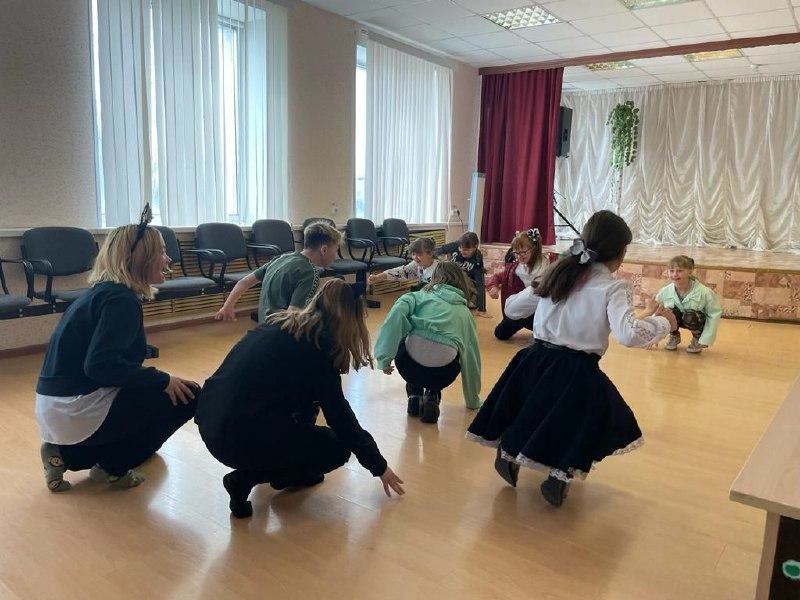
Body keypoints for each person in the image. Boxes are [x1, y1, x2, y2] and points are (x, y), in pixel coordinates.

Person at [467, 211, 678, 508]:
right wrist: (665, 323)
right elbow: (628, 335)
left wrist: (538, 294)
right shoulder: (612, 287)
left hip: (535, 359)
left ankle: (509, 455)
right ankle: (558, 475)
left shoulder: (557, 273)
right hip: (575, 369)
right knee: (582, 421)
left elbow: (512, 309)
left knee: (533, 410)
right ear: (619, 253)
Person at [196, 279, 405, 518]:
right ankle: (245, 479)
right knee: (337, 448)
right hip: (238, 439)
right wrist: (380, 466)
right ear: (351, 319)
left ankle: (287, 472)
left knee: (305, 410)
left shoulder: (279, 326)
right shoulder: (318, 350)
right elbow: (341, 419)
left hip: (210, 423)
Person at [35, 206, 198, 492]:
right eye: (161, 252)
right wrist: (161, 379)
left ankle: (64, 454)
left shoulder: (101, 293)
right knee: (188, 395)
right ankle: (113, 467)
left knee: (151, 392)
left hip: (56, 408)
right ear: (139, 258)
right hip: (76, 408)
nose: (168, 258)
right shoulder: (121, 301)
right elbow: (101, 367)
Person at [374, 262, 481, 424]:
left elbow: (394, 320)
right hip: (442, 374)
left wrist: (384, 359)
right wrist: (473, 400)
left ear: (433, 278)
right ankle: (432, 394)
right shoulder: (465, 314)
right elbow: (472, 357)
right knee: (460, 349)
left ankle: (414, 396)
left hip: (409, 367)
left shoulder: (416, 297)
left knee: (408, 333)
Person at [214, 221, 342, 323]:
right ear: (324, 250)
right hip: (279, 334)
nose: (335, 256)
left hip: (263, 328)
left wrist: (227, 306)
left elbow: (244, 282)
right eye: (335, 250)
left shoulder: (282, 258)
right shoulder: (309, 273)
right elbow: (293, 316)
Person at [486, 229, 549, 340]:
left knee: (548, 336)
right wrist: (493, 287)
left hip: (539, 313)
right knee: (500, 333)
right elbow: (496, 277)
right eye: (517, 253)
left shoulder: (547, 267)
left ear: (534, 249)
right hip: (519, 313)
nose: (519, 256)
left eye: (523, 252)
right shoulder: (514, 269)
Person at [655, 255, 722, 354]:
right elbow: (656, 311)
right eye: (671, 271)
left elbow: (714, 314)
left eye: (679, 271)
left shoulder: (704, 292)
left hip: (696, 320)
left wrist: (705, 338)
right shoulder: (665, 291)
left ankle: (697, 338)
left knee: (690, 316)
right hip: (676, 321)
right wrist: (653, 335)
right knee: (668, 312)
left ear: (690, 271)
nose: (675, 274)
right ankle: (674, 335)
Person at [438, 232, 488, 317]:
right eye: (460, 248)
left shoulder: (477, 257)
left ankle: (466, 302)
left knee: (463, 275)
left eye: (467, 250)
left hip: (467, 284)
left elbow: (480, 282)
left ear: (475, 247)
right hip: (451, 279)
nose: (462, 251)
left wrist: (482, 309)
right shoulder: (454, 246)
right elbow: (436, 252)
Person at [367, 237, 438, 290]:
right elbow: (402, 272)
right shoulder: (416, 265)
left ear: (430, 254)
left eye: (419, 254)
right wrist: (379, 277)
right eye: (413, 254)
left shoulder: (439, 269)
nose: (415, 258)